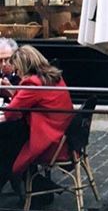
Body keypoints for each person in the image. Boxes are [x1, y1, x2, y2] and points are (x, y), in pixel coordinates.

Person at [0, 45, 74, 193]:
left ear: (24, 67)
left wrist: (11, 93)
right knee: (8, 141)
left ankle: (22, 182)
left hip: (47, 139)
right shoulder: (52, 77)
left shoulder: (33, 83)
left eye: (18, 70)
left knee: (6, 143)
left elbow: (11, 113)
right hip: (62, 133)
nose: (18, 74)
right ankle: (25, 185)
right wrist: (14, 92)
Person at [0, 37, 19, 101]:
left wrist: (12, 91)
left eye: (7, 59)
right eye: (0, 60)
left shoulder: (24, 75)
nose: (3, 64)